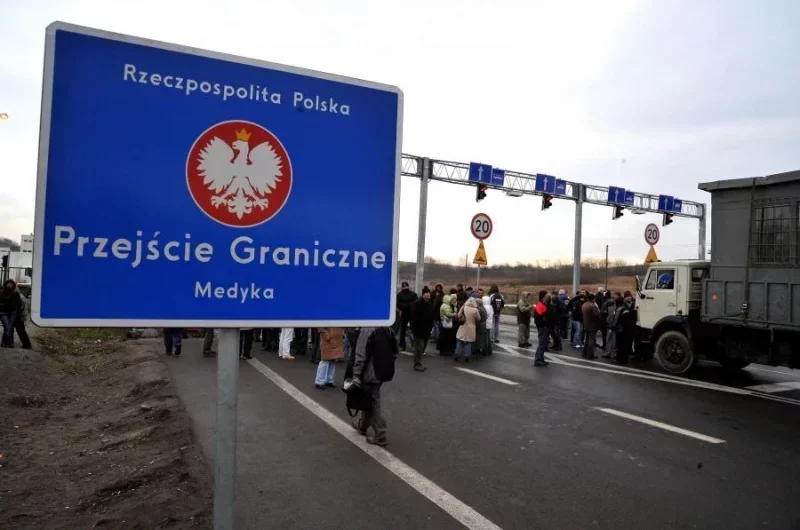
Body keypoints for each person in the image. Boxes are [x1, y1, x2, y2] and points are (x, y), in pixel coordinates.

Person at [352, 327, 398, 446]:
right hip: (382, 371)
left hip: (370, 372)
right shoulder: (386, 327)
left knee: (373, 401)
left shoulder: (367, 328)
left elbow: (361, 354)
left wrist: (356, 374)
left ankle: (380, 434)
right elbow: (395, 350)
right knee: (368, 397)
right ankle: (363, 426)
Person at [410, 287, 435, 372]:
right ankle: (417, 364)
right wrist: (414, 328)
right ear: (423, 294)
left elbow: (431, 316)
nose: (428, 294)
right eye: (426, 293)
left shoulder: (429, 303)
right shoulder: (417, 303)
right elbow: (413, 317)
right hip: (418, 329)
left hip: (427, 329)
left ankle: (419, 362)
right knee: (419, 347)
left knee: (423, 347)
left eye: (429, 293)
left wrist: (431, 327)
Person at [455, 297, 480, 362]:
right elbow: (478, 319)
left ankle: (457, 355)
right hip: (471, 328)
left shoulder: (464, 307)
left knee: (459, 341)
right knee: (468, 343)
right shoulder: (475, 310)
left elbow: (458, 315)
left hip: (462, 326)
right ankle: (467, 356)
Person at [0, 280, 24, 348]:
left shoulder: (15, 293)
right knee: (7, 327)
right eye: (8, 283)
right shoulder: (1, 293)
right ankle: (7, 343)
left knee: (10, 328)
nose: (9, 284)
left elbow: (19, 304)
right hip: (3, 313)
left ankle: (7, 343)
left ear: (13, 285)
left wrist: (16, 310)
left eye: (11, 283)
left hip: (13, 313)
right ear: (5, 284)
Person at [396, 281, 418, 350]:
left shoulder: (413, 294)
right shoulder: (399, 295)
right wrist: (407, 305)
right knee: (403, 331)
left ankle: (415, 345)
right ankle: (402, 345)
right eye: (404, 286)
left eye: (406, 286)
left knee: (413, 330)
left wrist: (407, 305)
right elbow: (398, 304)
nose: (405, 287)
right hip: (404, 314)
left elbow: (416, 303)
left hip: (412, 314)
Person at [533, 291, 550, 366]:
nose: (547, 298)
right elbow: (538, 318)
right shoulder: (540, 305)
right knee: (542, 344)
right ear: (543, 297)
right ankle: (538, 360)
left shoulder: (543, 304)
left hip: (544, 327)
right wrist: (543, 324)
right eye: (546, 296)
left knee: (544, 344)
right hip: (542, 327)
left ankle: (541, 359)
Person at [581, 293, 601, 359]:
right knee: (591, 340)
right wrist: (599, 324)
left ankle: (584, 353)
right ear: (593, 299)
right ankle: (590, 354)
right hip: (592, 325)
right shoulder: (593, 306)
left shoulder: (584, 305)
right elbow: (597, 316)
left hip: (586, 324)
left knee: (587, 339)